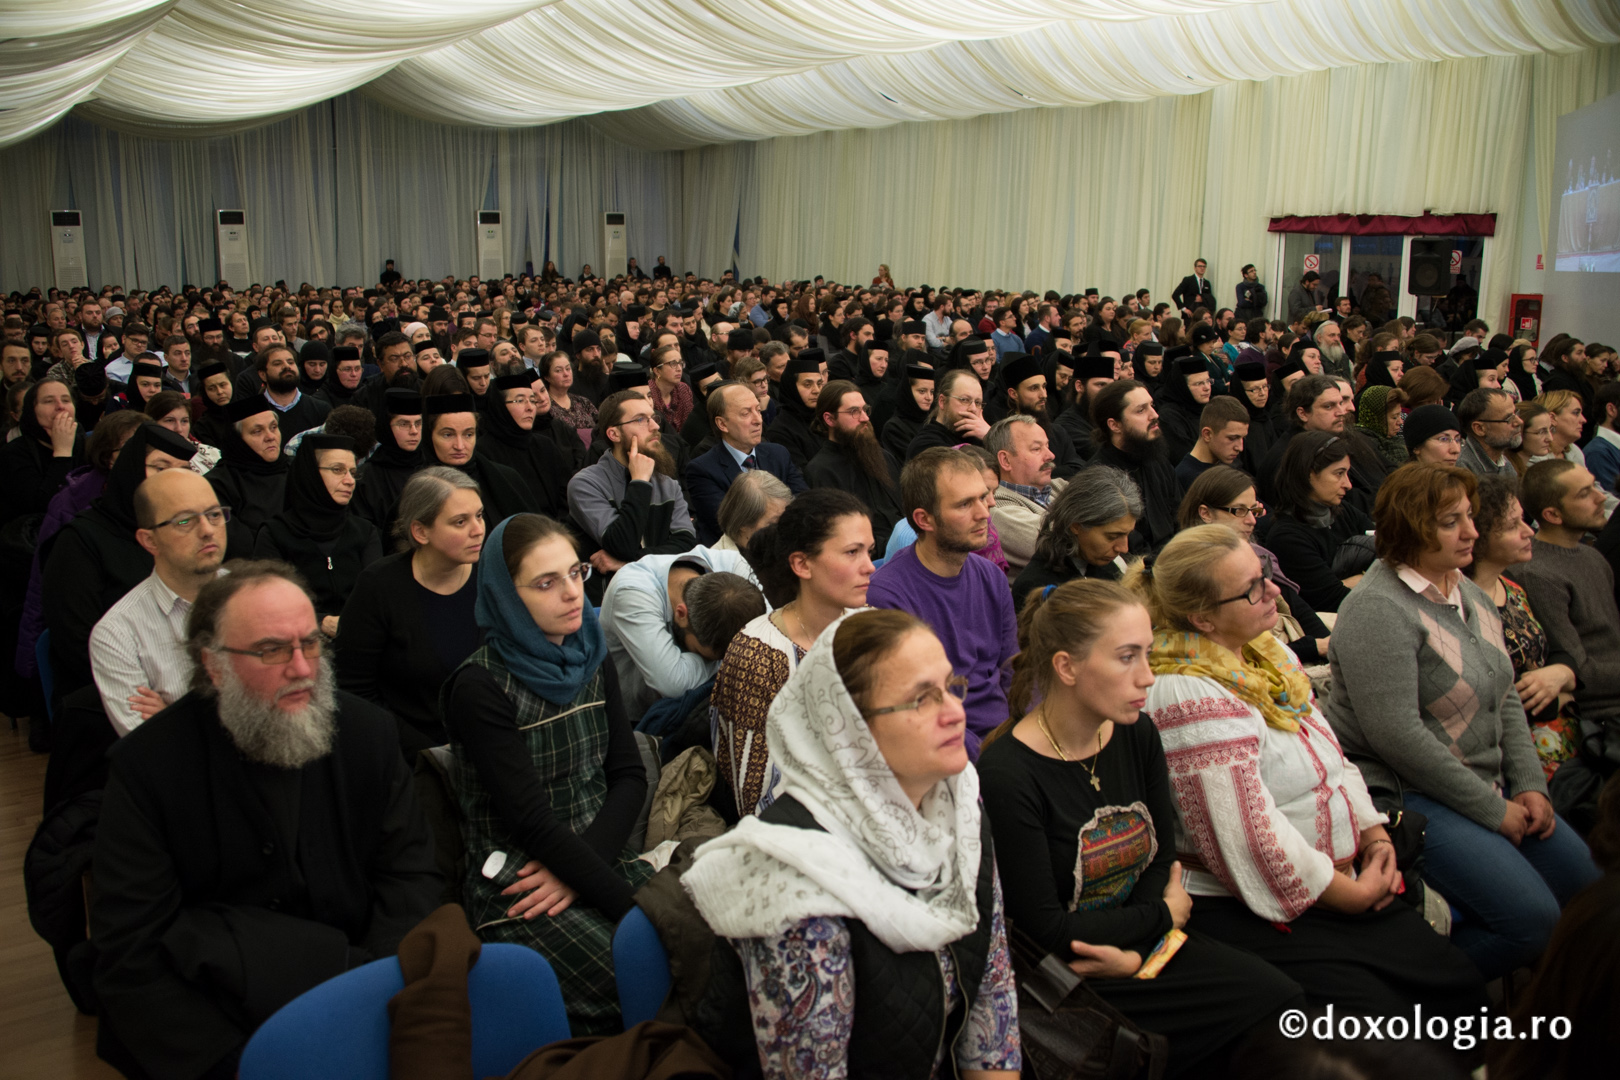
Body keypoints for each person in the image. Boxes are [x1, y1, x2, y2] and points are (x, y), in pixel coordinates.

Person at [90, 561, 440, 1080]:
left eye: (310, 643)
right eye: (271, 650)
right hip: (217, 1022)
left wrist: (368, 1001)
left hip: (362, 989)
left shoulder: (368, 735)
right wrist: (241, 1064)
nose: (301, 668)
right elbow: (131, 952)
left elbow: (410, 878)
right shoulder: (148, 768)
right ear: (213, 666)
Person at [1131, 525, 1487, 1018]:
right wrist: (1350, 895)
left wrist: (1374, 836)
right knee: (1391, 1020)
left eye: (1265, 574)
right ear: (1202, 619)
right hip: (1256, 906)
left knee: (1456, 984)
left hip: (1338, 881)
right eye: (1253, 588)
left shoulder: (1263, 654)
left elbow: (1333, 761)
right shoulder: (1187, 691)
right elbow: (1244, 836)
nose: (1274, 591)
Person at [979, 580, 1303, 1078]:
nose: (1148, 677)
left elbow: (1160, 856)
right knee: (1266, 1012)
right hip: (1073, 974)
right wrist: (1162, 918)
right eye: (1127, 657)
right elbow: (1047, 928)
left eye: (1147, 654)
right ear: (1066, 666)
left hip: (1141, 944)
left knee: (1283, 1007)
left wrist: (1145, 943)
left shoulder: (1136, 731)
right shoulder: (1008, 773)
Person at [682, 609, 1020, 1079]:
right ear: (847, 729)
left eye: (950, 686)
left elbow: (992, 999)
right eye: (921, 699)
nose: (956, 712)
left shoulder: (958, 807)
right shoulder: (799, 878)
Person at [1324, 464, 1600, 980]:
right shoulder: (1376, 610)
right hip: (1410, 796)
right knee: (1530, 923)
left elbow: (1505, 698)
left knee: (1591, 893)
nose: (1472, 532)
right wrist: (1491, 810)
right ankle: (1404, 1003)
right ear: (1412, 530)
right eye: (1452, 522)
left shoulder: (1467, 593)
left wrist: (1529, 785)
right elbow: (1396, 736)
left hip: (1481, 786)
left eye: (1469, 517)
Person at [442, 514, 652, 1036]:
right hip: (520, 880)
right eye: (546, 582)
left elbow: (629, 776)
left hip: (592, 856)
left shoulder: (590, 653)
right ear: (506, 596)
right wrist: (630, 914)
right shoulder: (480, 685)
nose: (571, 594)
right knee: (645, 973)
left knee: (706, 941)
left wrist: (585, 872)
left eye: (576, 573)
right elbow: (530, 820)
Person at [713, 488, 875, 817]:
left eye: (870, 551)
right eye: (851, 552)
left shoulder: (867, 626)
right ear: (802, 564)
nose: (870, 567)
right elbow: (756, 797)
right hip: (800, 831)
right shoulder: (757, 654)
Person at [867, 447, 1016, 759]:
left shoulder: (992, 577)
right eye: (964, 504)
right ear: (925, 519)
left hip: (1008, 738)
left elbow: (1012, 671)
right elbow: (917, 709)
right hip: (950, 749)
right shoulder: (887, 596)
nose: (984, 513)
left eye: (983, 497)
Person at [44, 423, 198, 703]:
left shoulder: (184, 533)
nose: (172, 481)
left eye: (182, 471)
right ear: (130, 470)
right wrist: (151, 691)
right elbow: (78, 645)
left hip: (183, 690)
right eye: (160, 468)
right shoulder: (80, 541)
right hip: (109, 695)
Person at [336, 467, 486, 756]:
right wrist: (427, 751)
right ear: (420, 531)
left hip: (489, 745)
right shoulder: (379, 587)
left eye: (479, 515)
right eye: (460, 522)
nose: (478, 529)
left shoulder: (490, 576)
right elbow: (353, 690)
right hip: (410, 756)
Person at [1516, 460, 1620, 822]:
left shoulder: (1592, 557)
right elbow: (1578, 669)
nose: (1601, 498)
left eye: (1595, 486)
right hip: (1601, 718)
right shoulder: (1539, 573)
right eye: (1586, 493)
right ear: (1552, 514)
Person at [90, 469, 229, 736]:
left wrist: (174, 718)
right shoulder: (117, 633)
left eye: (214, 514)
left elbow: (286, 713)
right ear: (149, 541)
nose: (208, 530)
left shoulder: (257, 598)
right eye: (184, 521)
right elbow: (148, 751)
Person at [1462, 474, 1581, 781]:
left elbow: (1560, 652)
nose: (1529, 532)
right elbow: (1491, 698)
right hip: (1513, 759)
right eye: (1513, 526)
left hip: (1567, 742)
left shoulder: (1513, 588)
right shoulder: (1461, 604)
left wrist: (1561, 674)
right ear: (1480, 537)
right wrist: (1558, 698)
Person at [1179, 465, 1332, 666]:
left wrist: (1326, 644)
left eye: (1254, 510)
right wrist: (1315, 647)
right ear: (1206, 513)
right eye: (1240, 511)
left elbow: (1295, 604)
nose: (1252, 521)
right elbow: (1241, 651)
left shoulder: (1256, 553)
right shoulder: (1196, 571)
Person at [600, 547, 763, 721]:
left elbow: (770, 633)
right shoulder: (631, 591)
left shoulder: (732, 564)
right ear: (681, 614)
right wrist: (738, 660)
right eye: (704, 656)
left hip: (700, 708)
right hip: (634, 721)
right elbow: (672, 682)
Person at [251, 433, 383, 635]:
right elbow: (269, 602)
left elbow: (375, 599)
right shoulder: (275, 534)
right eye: (338, 470)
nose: (349, 481)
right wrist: (320, 621)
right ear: (310, 473)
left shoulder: (364, 532)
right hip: (296, 640)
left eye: (353, 472)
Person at [567, 389, 696, 578]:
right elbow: (622, 545)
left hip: (659, 587)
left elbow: (686, 544)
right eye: (641, 419)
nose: (655, 427)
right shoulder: (585, 484)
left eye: (653, 418)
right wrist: (640, 483)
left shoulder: (667, 483)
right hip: (609, 594)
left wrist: (629, 562)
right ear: (614, 434)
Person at [686, 381, 806, 545]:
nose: (758, 420)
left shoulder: (778, 453)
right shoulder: (702, 470)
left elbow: (804, 500)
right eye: (745, 413)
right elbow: (731, 526)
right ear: (722, 424)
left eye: (758, 409)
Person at [1265, 430, 1373, 613]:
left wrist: (1351, 581)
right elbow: (1338, 599)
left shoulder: (1343, 512)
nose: (1348, 484)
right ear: (1308, 473)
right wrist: (1371, 575)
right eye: (1339, 473)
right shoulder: (1287, 538)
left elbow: (1390, 555)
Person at [807, 380, 905, 553]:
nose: (865, 418)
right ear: (829, 419)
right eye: (854, 412)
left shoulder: (884, 457)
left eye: (865, 410)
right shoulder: (821, 471)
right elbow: (841, 538)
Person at [1089, 379, 1179, 552]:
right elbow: (1127, 548)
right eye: (1141, 410)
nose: (1154, 415)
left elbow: (1180, 516)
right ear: (1115, 425)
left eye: (1151, 406)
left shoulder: (1157, 460)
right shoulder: (1098, 479)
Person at [473, 368, 572, 519]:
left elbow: (565, 497)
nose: (530, 407)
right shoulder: (483, 451)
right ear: (500, 406)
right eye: (520, 400)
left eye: (532, 400)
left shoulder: (545, 445)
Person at [206, 397, 289, 557]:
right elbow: (239, 545)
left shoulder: (296, 469)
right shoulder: (218, 484)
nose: (270, 436)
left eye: (273, 427)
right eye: (257, 431)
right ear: (238, 439)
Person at [986, 414, 1063, 581]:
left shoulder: (1059, 486)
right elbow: (1066, 546)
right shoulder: (998, 509)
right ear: (1005, 460)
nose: (1050, 455)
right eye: (1036, 449)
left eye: (1047, 446)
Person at [1, 376, 83, 524]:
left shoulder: (86, 444)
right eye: (48, 401)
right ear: (32, 411)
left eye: (66, 400)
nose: (60, 406)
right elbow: (43, 507)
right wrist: (62, 453)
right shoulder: (13, 453)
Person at [351, 388, 424, 533]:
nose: (414, 431)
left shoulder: (433, 466)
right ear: (386, 426)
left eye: (418, 423)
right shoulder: (366, 478)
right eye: (404, 424)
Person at [905, 367, 992, 458]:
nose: (973, 409)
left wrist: (990, 435)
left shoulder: (979, 437)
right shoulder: (925, 444)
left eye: (978, 402)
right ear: (942, 401)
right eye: (965, 400)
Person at [763, 349, 827, 470]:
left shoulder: (826, 418)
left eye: (819, 384)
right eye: (807, 385)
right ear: (791, 387)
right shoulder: (780, 430)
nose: (816, 390)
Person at [1174, 396, 1248, 491]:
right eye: (1232, 438)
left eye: (1243, 438)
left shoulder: (1225, 466)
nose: (1240, 448)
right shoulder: (1189, 479)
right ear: (1207, 434)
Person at [712, 468, 790, 554]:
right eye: (773, 523)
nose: (784, 529)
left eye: (784, 518)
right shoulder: (719, 564)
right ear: (743, 523)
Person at [877, 363, 935, 461]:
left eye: (932, 392)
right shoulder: (894, 428)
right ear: (907, 392)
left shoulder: (932, 421)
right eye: (922, 391)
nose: (929, 397)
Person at [1354, 384, 1410, 468]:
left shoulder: (1394, 441)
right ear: (1378, 418)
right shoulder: (1367, 447)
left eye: (1400, 415)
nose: (1400, 422)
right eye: (1394, 417)